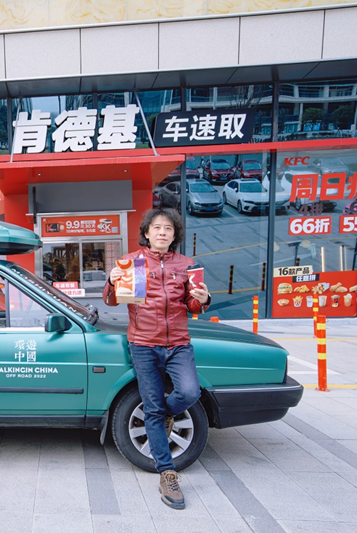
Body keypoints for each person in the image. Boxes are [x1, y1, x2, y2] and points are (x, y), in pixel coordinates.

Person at [103, 207, 210, 510]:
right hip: (143, 344)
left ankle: (165, 413)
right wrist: (112, 282)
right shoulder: (132, 262)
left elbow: (192, 305)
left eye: (168, 229)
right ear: (147, 233)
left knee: (190, 392)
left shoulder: (187, 265)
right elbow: (113, 300)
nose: (162, 232)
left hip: (178, 343)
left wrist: (203, 300)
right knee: (150, 406)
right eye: (157, 228)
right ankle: (167, 472)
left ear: (174, 236)